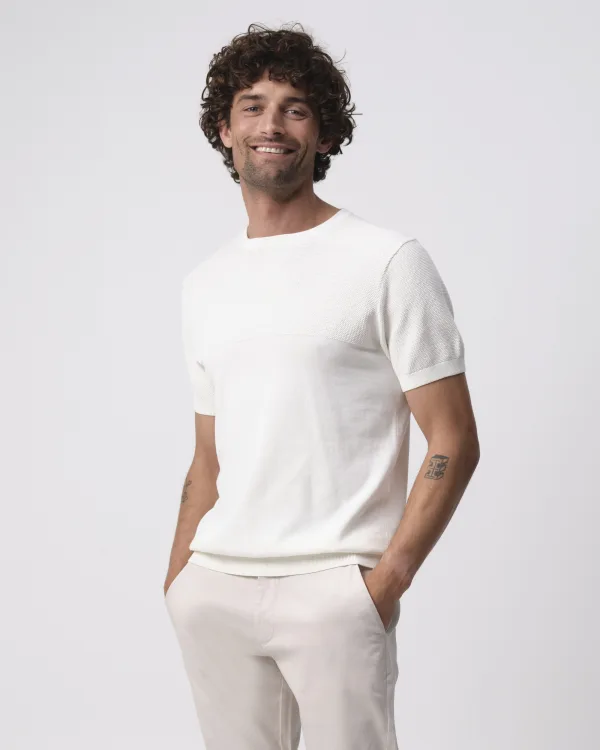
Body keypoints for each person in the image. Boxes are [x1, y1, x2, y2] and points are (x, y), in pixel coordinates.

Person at [163, 21, 480, 750]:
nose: (271, 125)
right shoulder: (205, 283)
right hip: (215, 589)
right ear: (225, 130)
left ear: (325, 134)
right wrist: (180, 579)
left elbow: (454, 438)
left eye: (295, 109)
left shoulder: (386, 260)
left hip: (335, 588)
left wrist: (384, 583)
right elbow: (208, 456)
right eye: (252, 106)